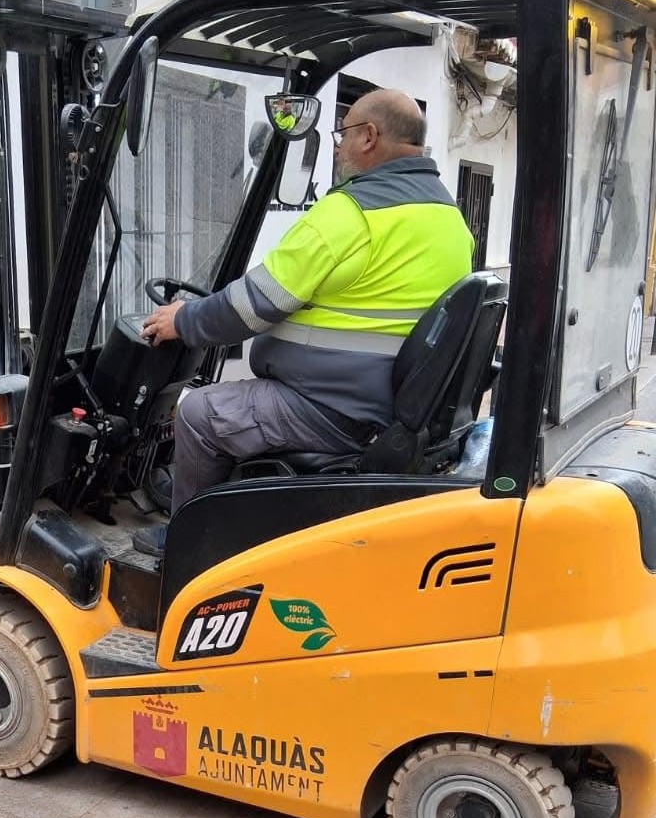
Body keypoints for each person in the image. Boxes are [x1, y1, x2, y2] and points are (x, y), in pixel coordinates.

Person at [133, 88, 473, 557]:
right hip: (389, 405)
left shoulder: (350, 213)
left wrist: (183, 319)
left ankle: (188, 543)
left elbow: (254, 304)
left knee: (199, 413)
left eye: (343, 133)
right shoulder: (448, 218)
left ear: (369, 137)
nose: (337, 146)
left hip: (329, 409)